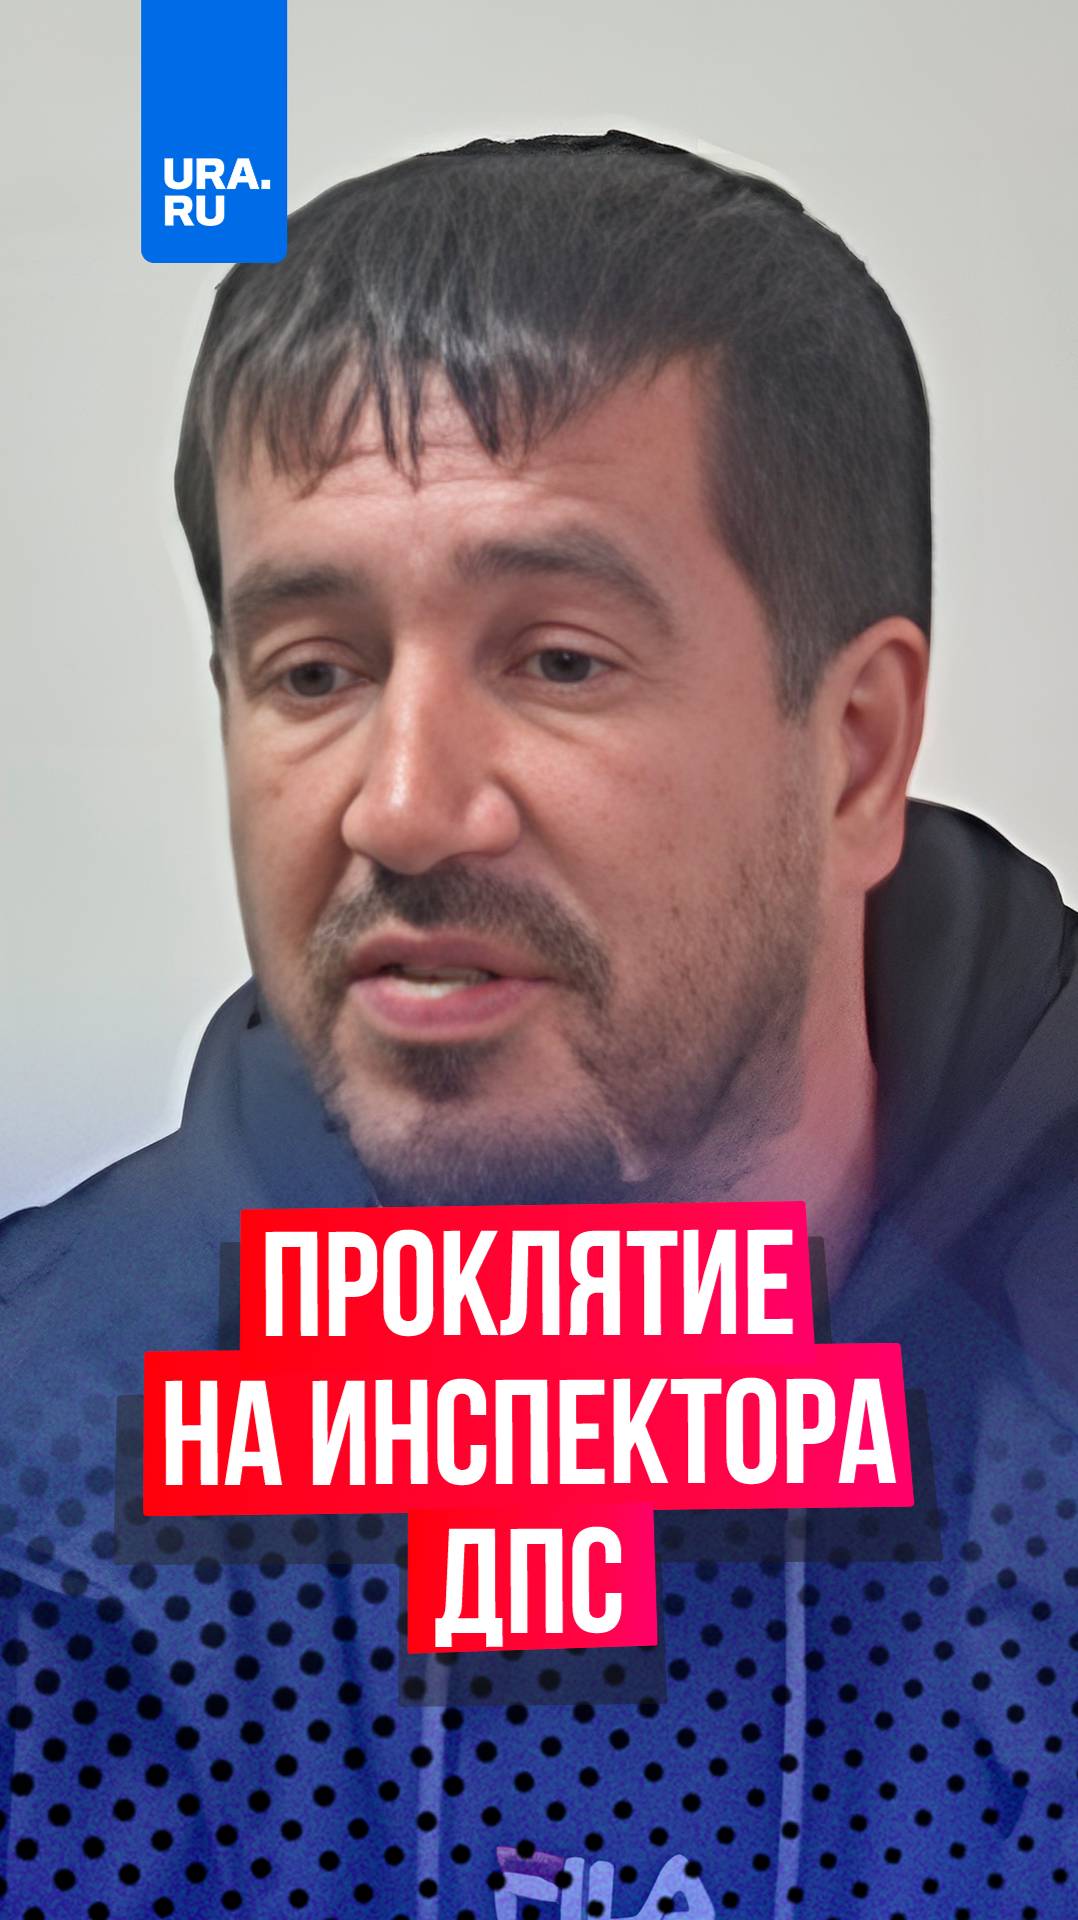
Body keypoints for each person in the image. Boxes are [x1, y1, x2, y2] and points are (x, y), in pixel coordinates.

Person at [1, 131, 1074, 1918]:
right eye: (315, 671)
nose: (403, 807)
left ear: (854, 752)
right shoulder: (41, 1486)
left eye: (558, 660)